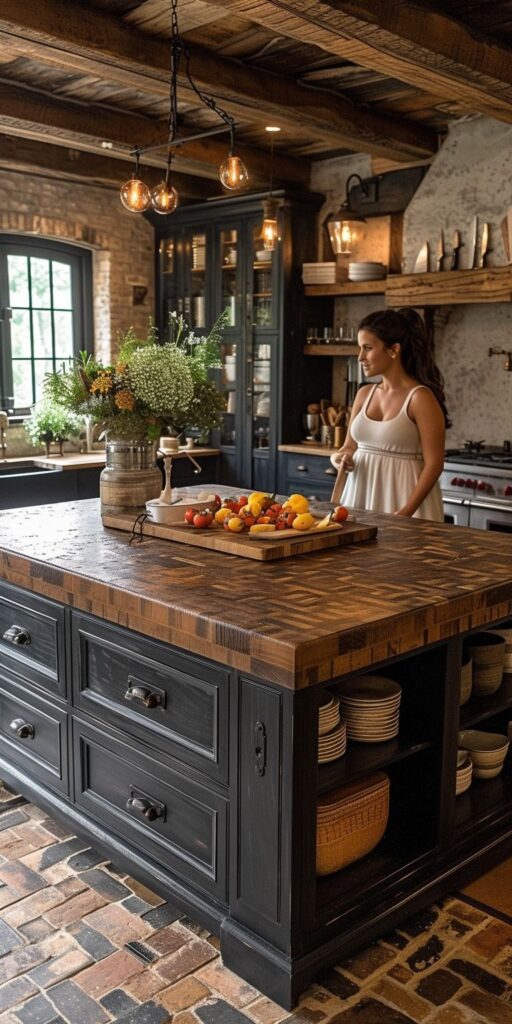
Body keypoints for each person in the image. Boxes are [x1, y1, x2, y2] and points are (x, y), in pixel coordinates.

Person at [331, 307, 449, 520]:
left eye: (367, 348)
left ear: (393, 350)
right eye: (360, 348)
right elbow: (349, 446)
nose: (360, 357)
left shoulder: (420, 398)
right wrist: (340, 458)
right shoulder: (363, 394)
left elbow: (434, 465)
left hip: (405, 503)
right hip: (358, 497)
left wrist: (404, 513)